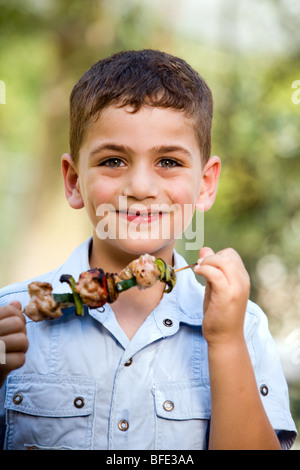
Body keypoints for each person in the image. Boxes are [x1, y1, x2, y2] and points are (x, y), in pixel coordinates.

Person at [0, 49, 297, 450]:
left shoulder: (242, 326)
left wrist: (225, 343)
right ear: (73, 181)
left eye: (169, 162)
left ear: (206, 184)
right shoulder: (12, 320)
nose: (140, 187)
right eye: (114, 160)